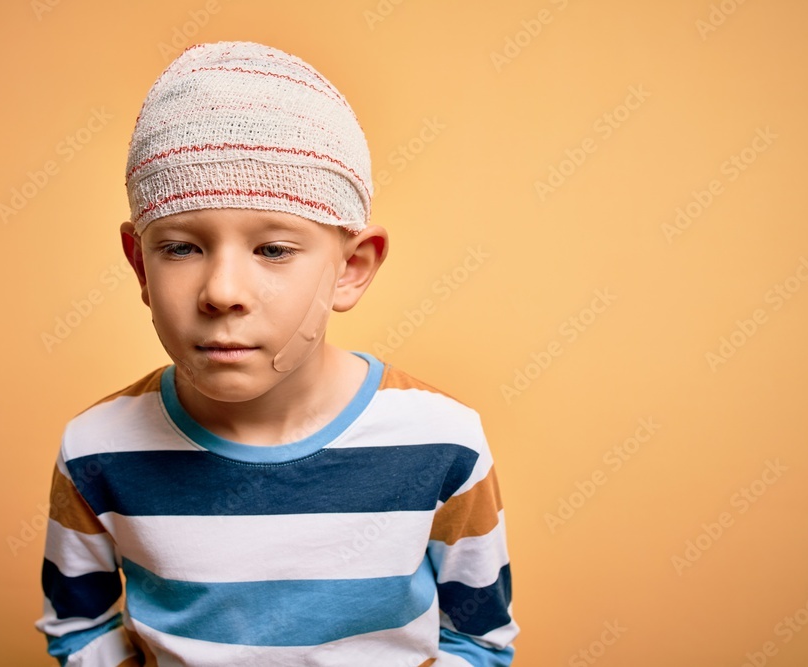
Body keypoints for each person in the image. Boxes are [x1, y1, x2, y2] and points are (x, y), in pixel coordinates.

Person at [36, 40, 518, 666]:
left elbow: (476, 639)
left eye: (273, 250)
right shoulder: (98, 449)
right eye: (181, 248)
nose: (222, 292)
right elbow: (78, 629)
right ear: (139, 265)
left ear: (351, 268)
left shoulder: (443, 442)